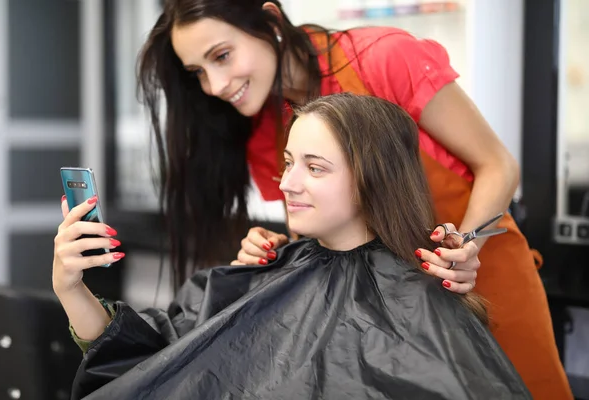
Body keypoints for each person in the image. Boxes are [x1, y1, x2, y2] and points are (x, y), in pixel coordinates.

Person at [128, 1, 572, 398]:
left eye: (222, 56)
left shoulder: (383, 58)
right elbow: (321, 224)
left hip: (481, 268)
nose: (215, 85)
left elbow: (497, 165)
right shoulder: (262, 123)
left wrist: (469, 244)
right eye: (198, 73)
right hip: (381, 302)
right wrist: (278, 249)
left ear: (272, 22)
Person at [55, 93, 531, 399]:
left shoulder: (420, 300)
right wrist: (71, 289)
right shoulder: (264, 267)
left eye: (315, 167)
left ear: (375, 180)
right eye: (288, 162)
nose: (287, 183)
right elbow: (145, 362)